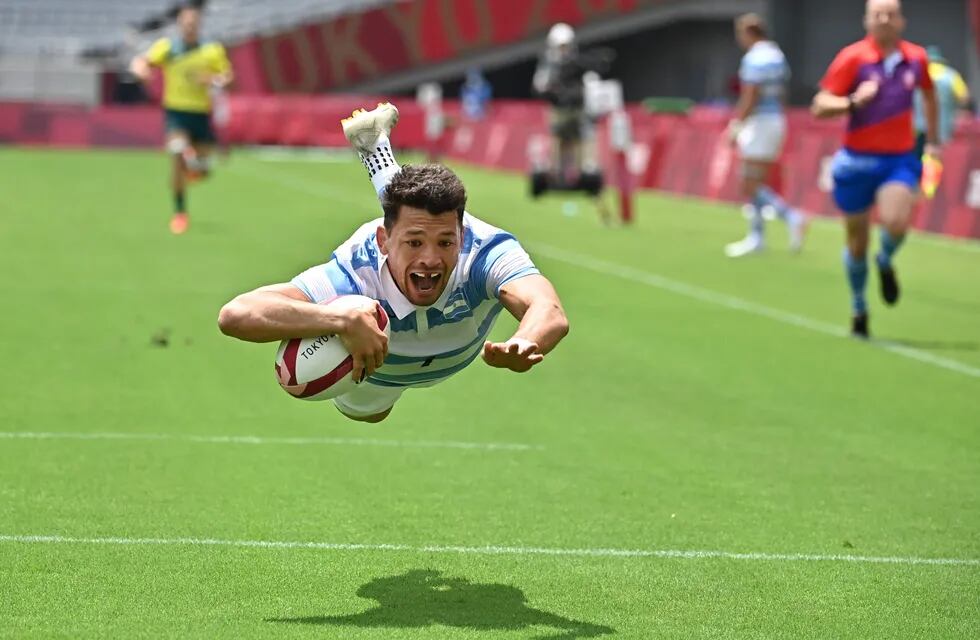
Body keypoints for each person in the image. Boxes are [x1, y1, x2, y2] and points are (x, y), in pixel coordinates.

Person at [218, 103, 570, 423]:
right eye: (415, 244)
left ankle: (375, 148)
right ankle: (375, 149)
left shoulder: (484, 251)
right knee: (369, 414)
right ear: (381, 243)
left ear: (461, 239)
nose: (431, 259)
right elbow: (236, 315)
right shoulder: (357, 273)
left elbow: (547, 307)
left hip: (444, 338)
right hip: (378, 374)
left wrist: (527, 339)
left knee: (417, 216)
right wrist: (339, 318)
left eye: (446, 242)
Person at [811, 0, 938, 338]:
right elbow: (820, 105)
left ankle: (885, 259)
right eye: (877, 14)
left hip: (898, 159)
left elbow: (929, 94)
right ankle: (858, 307)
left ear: (902, 21)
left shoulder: (917, 58)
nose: (884, 20)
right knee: (856, 242)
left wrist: (933, 140)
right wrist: (852, 101)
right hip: (856, 161)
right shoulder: (852, 58)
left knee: (897, 221)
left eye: (890, 14)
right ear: (866, 20)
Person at [130, 4, 233, 234]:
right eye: (186, 23)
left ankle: (193, 165)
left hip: (201, 114)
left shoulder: (211, 51)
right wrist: (140, 71)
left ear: (199, 25)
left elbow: (227, 77)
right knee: (177, 151)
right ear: (179, 24)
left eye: (193, 24)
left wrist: (213, 80)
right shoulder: (167, 48)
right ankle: (180, 213)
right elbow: (141, 62)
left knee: (202, 170)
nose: (189, 27)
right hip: (176, 113)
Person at [724, 13, 808, 258]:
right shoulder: (777, 55)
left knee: (748, 183)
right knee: (755, 182)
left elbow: (750, 96)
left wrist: (736, 126)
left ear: (748, 33)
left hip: (760, 122)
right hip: (776, 120)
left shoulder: (755, 58)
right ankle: (757, 236)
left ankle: (790, 217)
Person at [913, 45, 971, 153]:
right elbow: (965, 97)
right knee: (941, 157)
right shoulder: (951, 75)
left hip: (918, 128)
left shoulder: (917, 73)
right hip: (944, 127)